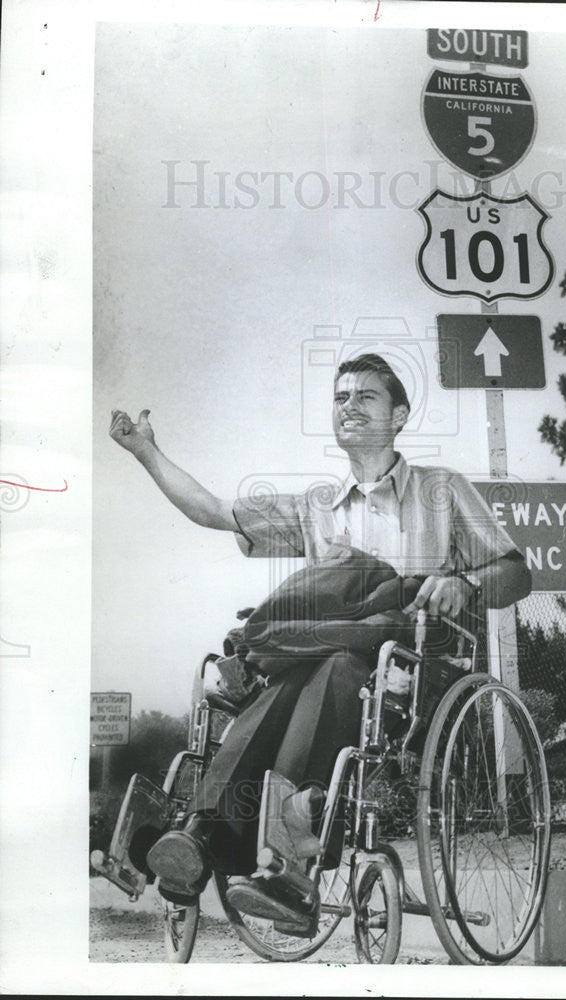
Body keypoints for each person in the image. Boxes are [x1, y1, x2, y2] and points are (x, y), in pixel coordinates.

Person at [109, 352, 530, 930]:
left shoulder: (442, 489)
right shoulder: (317, 507)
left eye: (366, 396)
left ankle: (278, 850)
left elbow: (515, 572)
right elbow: (212, 511)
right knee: (297, 670)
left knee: (329, 657)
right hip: (329, 660)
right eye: (340, 398)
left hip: (413, 663)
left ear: (400, 415)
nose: (349, 406)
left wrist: (465, 583)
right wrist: (146, 453)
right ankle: (204, 835)